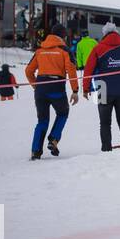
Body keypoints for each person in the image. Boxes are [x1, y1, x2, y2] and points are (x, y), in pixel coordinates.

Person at [83, 22, 120, 152]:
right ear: (117, 32)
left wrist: (85, 88)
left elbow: (88, 70)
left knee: (104, 122)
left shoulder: (98, 49)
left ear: (104, 34)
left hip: (102, 88)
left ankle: (106, 148)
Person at [24, 24, 79, 160]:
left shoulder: (40, 50)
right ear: (63, 36)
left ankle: (35, 151)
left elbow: (28, 71)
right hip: (56, 87)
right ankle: (53, 139)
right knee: (63, 112)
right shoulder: (64, 50)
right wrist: (75, 90)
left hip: (41, 87)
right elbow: (71, 69)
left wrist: (35, 86)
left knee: (42, 120)